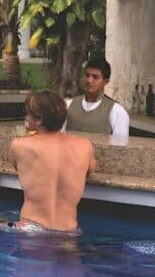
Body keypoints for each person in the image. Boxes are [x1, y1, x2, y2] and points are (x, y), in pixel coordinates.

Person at [9, 91, 96, 235]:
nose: (26, 116)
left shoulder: (20, 145)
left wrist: (29, 133)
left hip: (32, 228)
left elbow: (17, 166)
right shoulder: (85, 146)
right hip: (68, 232)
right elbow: (90, 170)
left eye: (27, 112)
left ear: (38, 120)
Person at [64, 57, 130, 146]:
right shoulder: (68, 105)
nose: (89, 80)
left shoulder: (117, 112)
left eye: (95, 77)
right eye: (87, 75)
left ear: (106, 81)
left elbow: (120, 148)